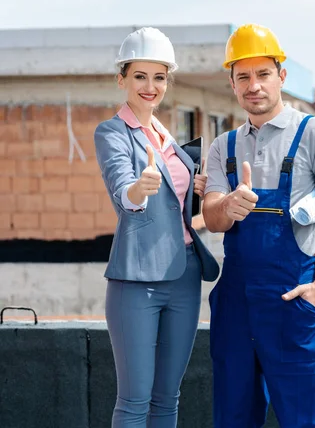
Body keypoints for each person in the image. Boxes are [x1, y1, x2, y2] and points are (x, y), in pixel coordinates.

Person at [203, 23, 315, 428]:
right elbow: (212, 217)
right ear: (232, 84)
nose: (254, 85)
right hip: (235, 304)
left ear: (281, 76)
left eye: (263, 74)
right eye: (243, 77)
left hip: (293, 301)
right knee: (234, 417)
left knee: (311, 419)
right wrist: (230, 204)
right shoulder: (223, 147)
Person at [94, 27, 219, 428]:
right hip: (137, 282)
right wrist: (139, 189)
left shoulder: (167, 135)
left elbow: (178, 202)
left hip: (184, 276)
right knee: (134, 401)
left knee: (168, 399)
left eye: (159, 77)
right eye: (140, 76)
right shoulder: (112, 132)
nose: (150, 86)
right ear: (122, 79)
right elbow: (122, 189)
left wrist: (194, 187)